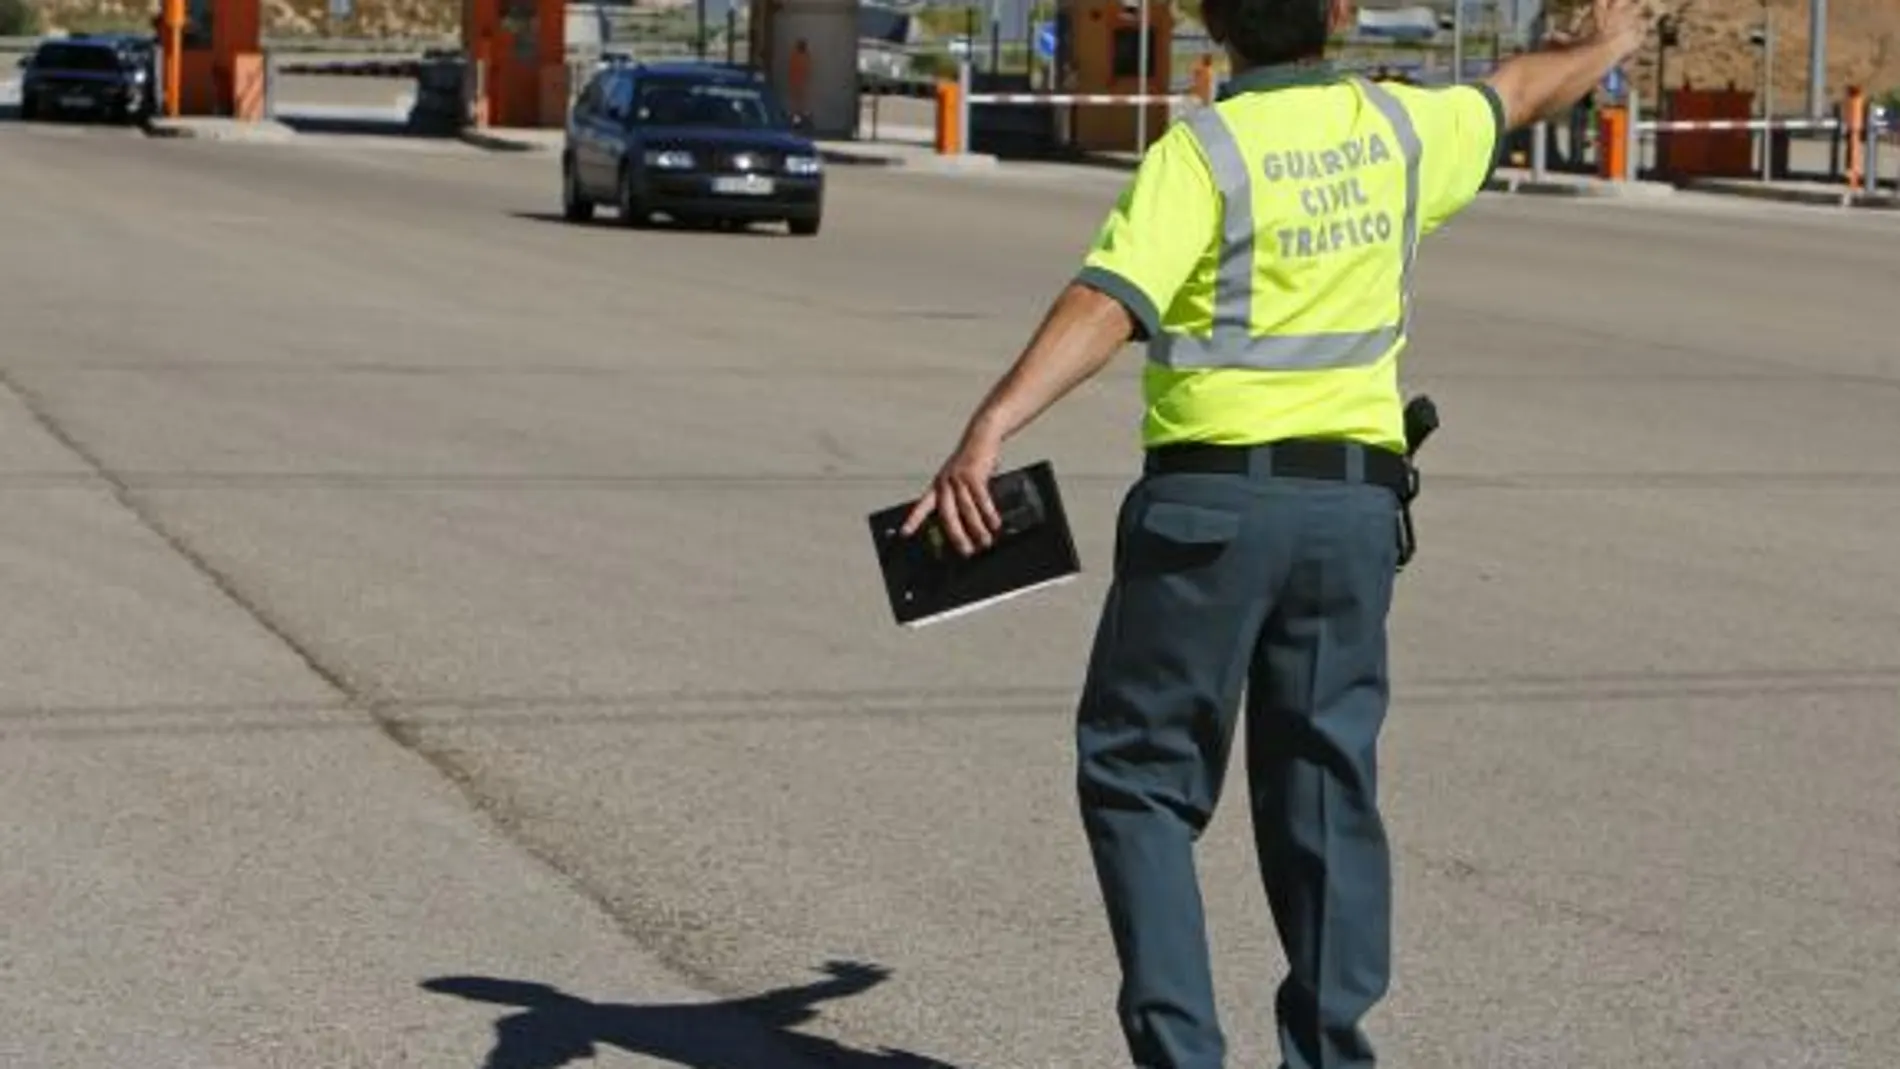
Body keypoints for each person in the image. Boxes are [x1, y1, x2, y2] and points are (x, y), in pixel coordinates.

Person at [898, 0, 1651, 1065]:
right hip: (1351, 518)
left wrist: (990, 426)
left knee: (1139, 779)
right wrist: (1608, 46)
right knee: (1323, 793)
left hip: (1206, 518)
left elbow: (1110, 300)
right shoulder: (1400, 131)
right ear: (1339, 16)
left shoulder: (1202, 150)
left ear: (1210, 21)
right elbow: (1524, 85)